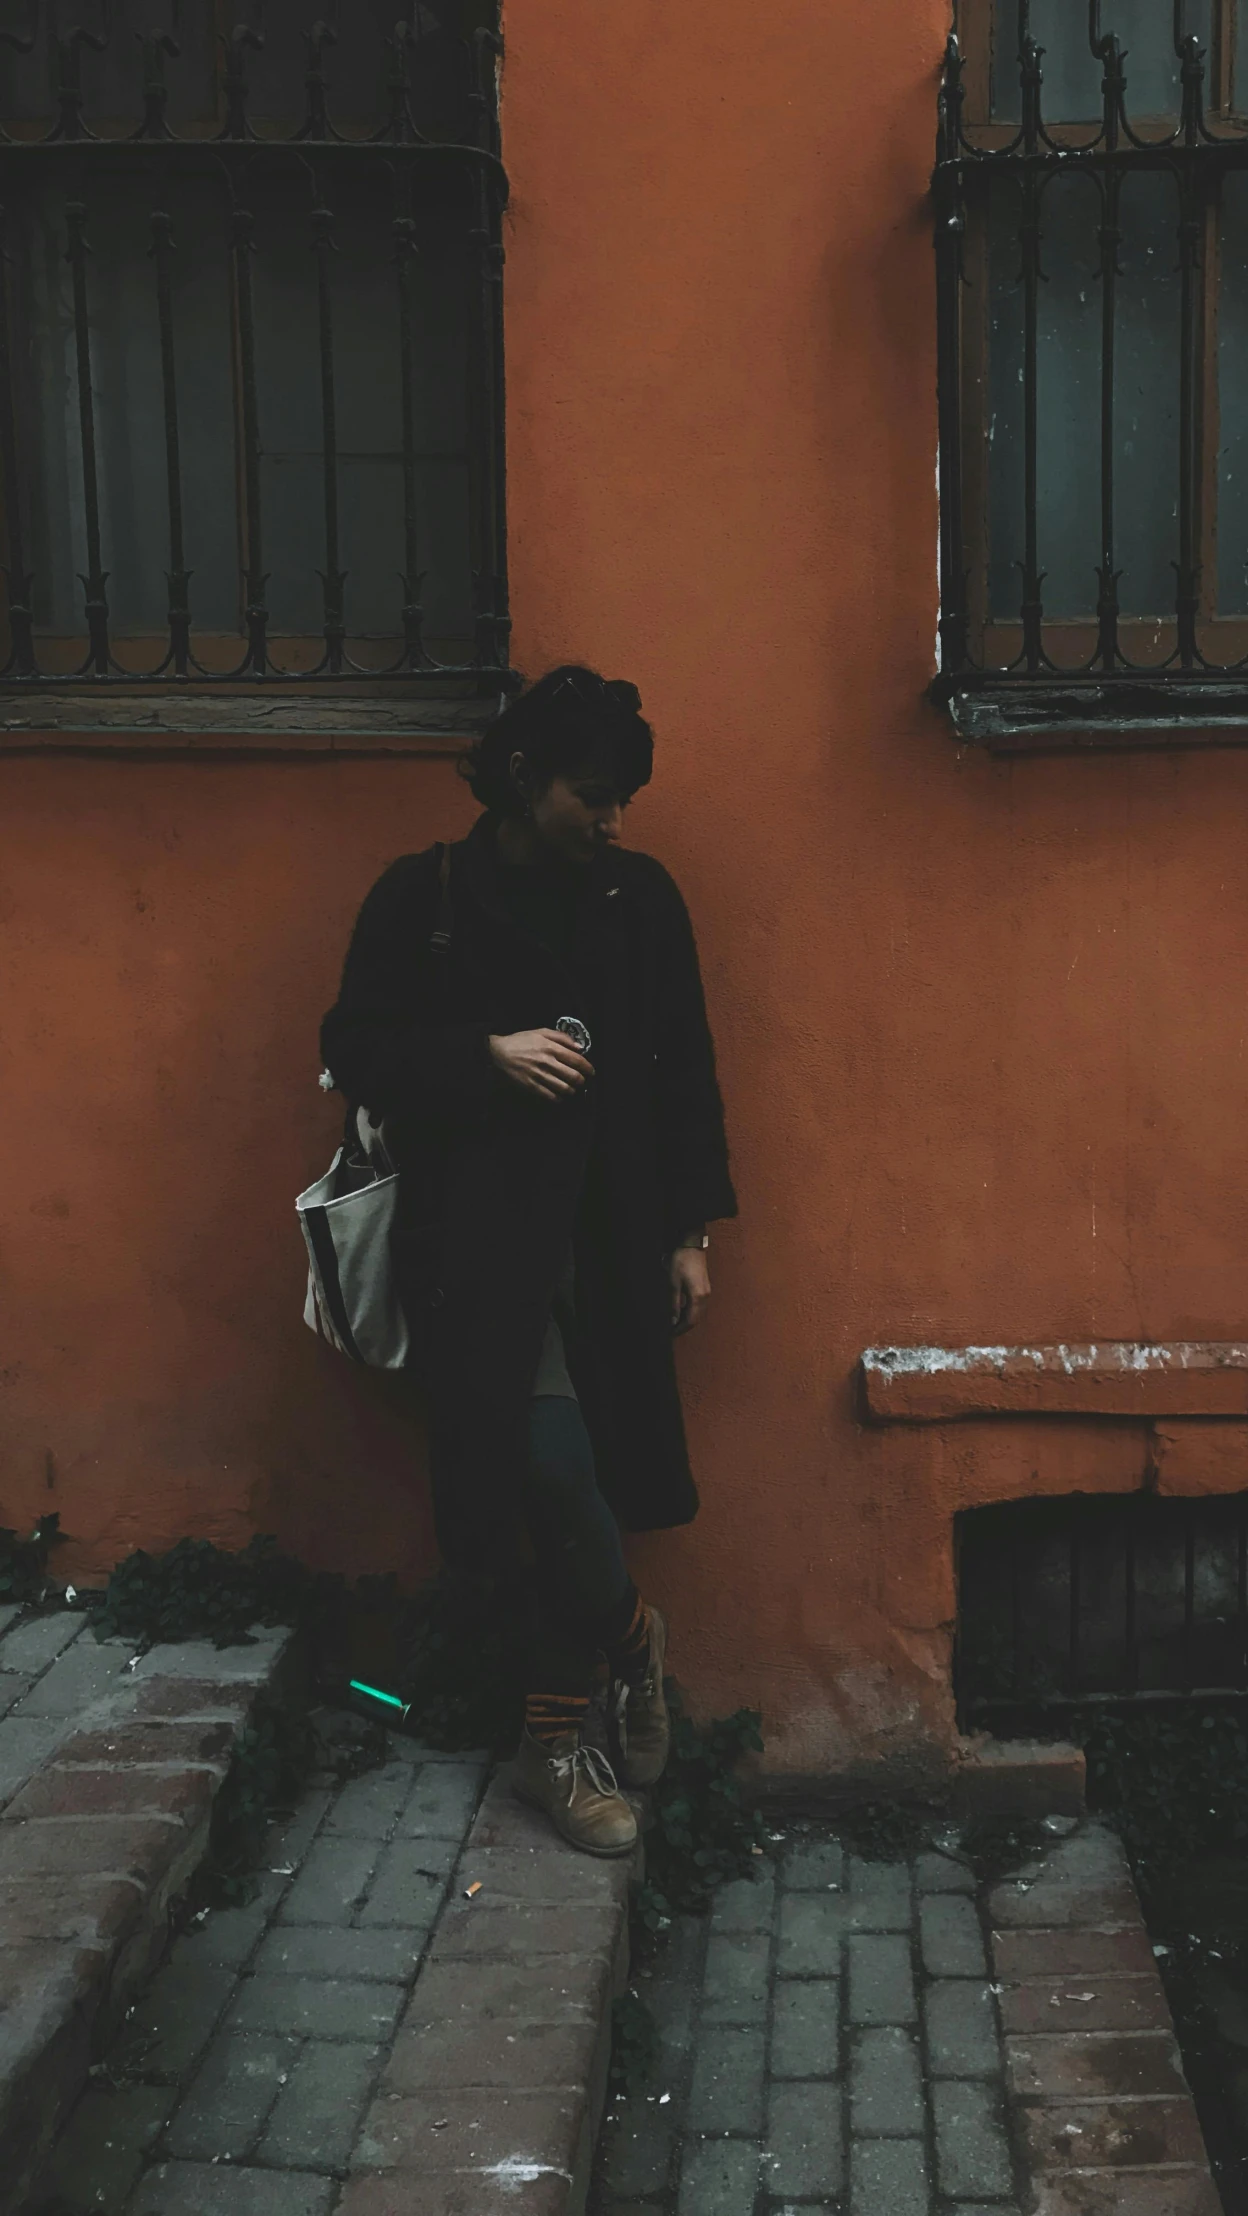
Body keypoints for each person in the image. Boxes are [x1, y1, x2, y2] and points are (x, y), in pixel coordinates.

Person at [320, 666, 736, 1856]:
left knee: (577, 1491)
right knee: (545, 1471)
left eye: (623, 800)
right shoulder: (424, 896)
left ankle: (553, 1744)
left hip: (610, 1238)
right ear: (519, 778)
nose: (613, 820)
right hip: (479, 1241)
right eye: (591, 796)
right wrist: (484, 1053)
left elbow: (683, 1069)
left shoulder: (638, 897)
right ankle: (630, 1637)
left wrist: (689, 1234)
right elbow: (352, 1043)